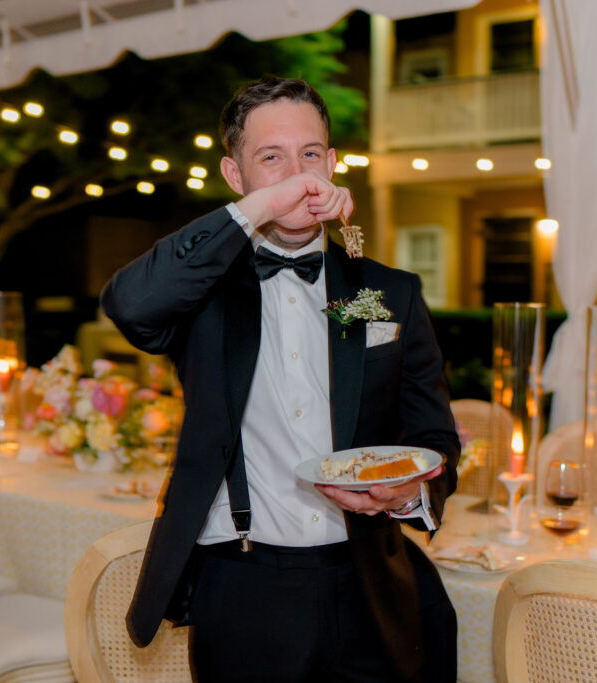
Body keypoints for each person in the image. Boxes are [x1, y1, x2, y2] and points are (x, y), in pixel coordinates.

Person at [101, 77, 459, 682]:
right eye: (272, 159)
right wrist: (267, 206)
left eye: (311, 156)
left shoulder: (387, 291)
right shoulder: (199, 295)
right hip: (245, 588)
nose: (300, 177)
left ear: (335, 162)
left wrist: (411, 492)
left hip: (371, 583)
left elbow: (433, 434)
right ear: (234, 177)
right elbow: (129, 303)